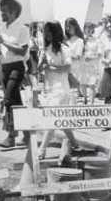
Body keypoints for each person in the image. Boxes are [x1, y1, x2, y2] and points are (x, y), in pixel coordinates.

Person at [37, 21, 78, 159]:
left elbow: (67, 67)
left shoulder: (63, 48)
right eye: (45, 31)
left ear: (55, 32)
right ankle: (75, 143)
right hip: (49, 88)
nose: (46, 34)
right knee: (61, 119)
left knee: (52, 120)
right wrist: (40, 63)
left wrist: (50, 67)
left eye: (49, 31)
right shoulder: (45, 49)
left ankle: (42, 150)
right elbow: (38, 69)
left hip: (60, 89)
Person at [0, 0, 30, 148]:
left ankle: (11, 137)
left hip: (17, 67)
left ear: (14, 11)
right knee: (16, 102)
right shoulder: (2, 28)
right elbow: (2, 50)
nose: (2, 14)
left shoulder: (23, 29)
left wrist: (4, 42)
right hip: (5, 67)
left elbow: (22, 51)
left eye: (5, 11)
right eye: (1, 11)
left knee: (8, 100)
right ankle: (28, 133)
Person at [80, 22, 102, 104]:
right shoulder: (80, 40)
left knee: (92, 84)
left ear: (93, 30)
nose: (89, 30)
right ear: (84, 29)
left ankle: (92, 102)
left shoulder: (96, 40)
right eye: (87, 28)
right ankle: (85, 98)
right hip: (82, 65)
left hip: (93, 65)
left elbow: (100, 54)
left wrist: (92, 58)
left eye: (90, 28)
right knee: (82, 84)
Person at [64, 18, 84, 94]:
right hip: (64, 69)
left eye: (70, 26)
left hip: (74, 69)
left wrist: (66, 54)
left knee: (74, 92)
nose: (68, 28)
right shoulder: (64, 40)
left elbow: (78, 56)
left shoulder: (79, 41)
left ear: (75, 27)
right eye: (66, 26)